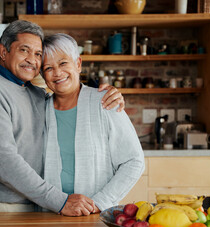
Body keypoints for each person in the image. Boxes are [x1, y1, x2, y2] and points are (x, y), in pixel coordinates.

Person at [0, 20, 125, 216]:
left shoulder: (34, 93)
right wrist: (61, 201)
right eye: (24, 50)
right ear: (3, 52)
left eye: (38, 54)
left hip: (32, 203)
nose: (32, 59)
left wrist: (111, 94)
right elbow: (4, 164)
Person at [41, 33, 144, 212]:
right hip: (49, 213)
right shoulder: (39, 109)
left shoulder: (105, 102)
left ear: (78, 64)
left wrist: (99, 203)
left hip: (95, 215)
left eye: (63, 63)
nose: (57, 73)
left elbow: (134, 161)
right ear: (43, 75)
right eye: (48, 68)